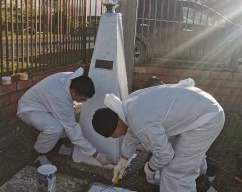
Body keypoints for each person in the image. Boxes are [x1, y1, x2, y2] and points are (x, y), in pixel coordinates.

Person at [91, 78, 225, 192]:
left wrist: (150, 167)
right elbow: (132, 133)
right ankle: (201, 178)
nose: (117, 138)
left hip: (206, 120)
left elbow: (165, 155)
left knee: (174, 173)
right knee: (184, 160)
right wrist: (123, 160)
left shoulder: (140, 122)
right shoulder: (128, 105)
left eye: (113, 136)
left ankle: (192, 179)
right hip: (201, 108)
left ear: (115, 128)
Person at [17, 67, 112, 165]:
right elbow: (72, 128)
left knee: (69, 120)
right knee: (55, 128)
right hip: (29, 109)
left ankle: (62, 147)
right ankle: (38, 155)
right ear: (74, 92)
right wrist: (96, 154)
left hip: (45, 105)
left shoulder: (72, 79)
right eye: (82, 99)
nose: (84, 101)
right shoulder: (60, 97)